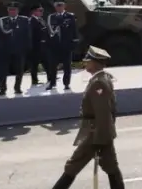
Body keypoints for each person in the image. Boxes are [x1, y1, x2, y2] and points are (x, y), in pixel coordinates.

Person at [50, 46, 125, 189]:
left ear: (95, 63)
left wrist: (99, 139)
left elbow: (103, 113)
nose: (85, 63)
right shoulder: (102, 79)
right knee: (111, 167)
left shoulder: (98, 83)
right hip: (102, 133)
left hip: (95, 134)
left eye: (88, 61)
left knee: (73, 165)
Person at [0, 3, 30, 95]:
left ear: (18, 10)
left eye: (14, 9)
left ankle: (17, 87)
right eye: (10, 9)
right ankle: (3, 89)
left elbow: (28, 35)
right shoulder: (3, 20)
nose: (12, 11)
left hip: (19, 49)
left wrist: (27, 47)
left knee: (19, 70)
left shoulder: (24, 20)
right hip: (5, 50)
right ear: (8, 10)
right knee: (3, 70)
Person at [28, 5, 50, 86]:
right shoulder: (31, 21)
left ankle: (50, 77)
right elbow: (31, 34)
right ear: (34, 12)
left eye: (42, 10)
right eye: (39, 10)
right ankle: (34, 80)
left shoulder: (41, 19)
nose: (41, 12)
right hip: (36, 46)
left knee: (47, 62)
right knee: (34, 64)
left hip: (43, 46)